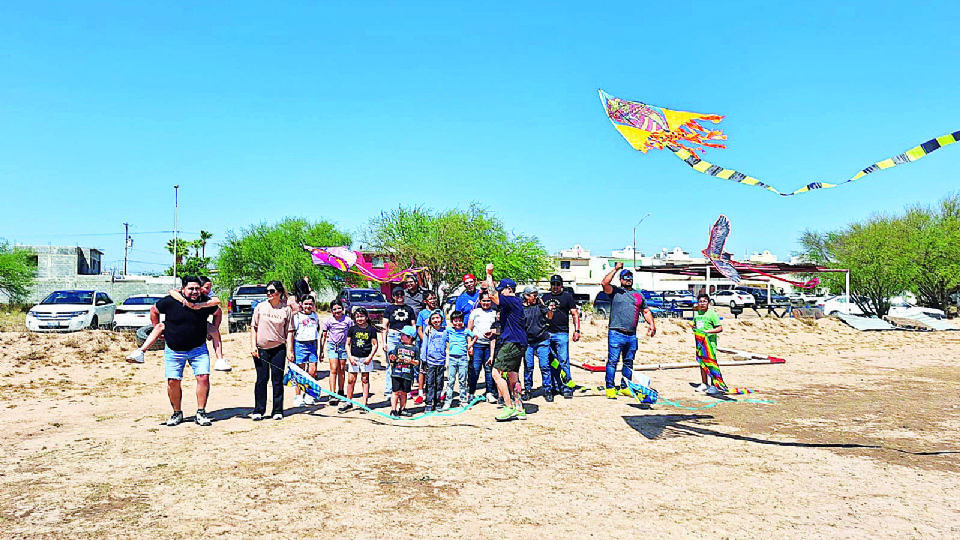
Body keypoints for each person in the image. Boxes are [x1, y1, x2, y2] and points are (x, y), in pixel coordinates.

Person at [125, 276, 231, 372]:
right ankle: (141, 351)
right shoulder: (177, 297)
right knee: (160, 326)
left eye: (208, 288)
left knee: (213, 330)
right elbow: (170, 294)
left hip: (199, 327)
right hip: (175, 333)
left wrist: (201, 306)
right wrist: (185, 301)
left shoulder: (207, 297)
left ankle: (220, 359)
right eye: (206, 288)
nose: (208, 290)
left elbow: (217, 304)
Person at [152, 276, 219, 427]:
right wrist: (158, 328)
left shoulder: (205, 302)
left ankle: (201, 412)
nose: (194, 291)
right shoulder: (170, 301)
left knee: (203, 377)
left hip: (198, 348)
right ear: (183, 289)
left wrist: (214, 328)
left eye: (197, 288)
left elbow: (218, 311)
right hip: (174, 349)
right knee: (173, 381)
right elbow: (154, 310)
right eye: (191, 288)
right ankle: (177, 413)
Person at [600, 263, 656, 399]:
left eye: (630, 277)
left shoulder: (638, 295)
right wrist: (616, 269)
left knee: (628, 362)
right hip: (616, 333)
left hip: (631, 335)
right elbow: (604, 283)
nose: (628, 280)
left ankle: (625, 386)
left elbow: (646, 311)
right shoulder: (615, 292)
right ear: (620, 280)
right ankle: (610, 387)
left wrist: (652, 324)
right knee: (613, 361)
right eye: (625, 278)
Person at [484, 263, 527, 421]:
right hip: (517, 341)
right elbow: (512, 325)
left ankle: (508, 407)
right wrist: (495, 332)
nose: (500, 292)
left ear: (508, 289)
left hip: (512, 343)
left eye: (502, 289)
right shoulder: (514, 305)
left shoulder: (511, 300)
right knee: (513, 375)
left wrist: (489, 274)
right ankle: (519, 408)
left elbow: (492, 295)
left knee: (496, 373)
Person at [250, 280, 294, 420]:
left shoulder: (286, 310)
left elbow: (290, 331)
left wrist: (290, 350)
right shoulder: (260, 307)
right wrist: (253, 346)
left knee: (277, 380)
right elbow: (254, 327)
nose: (269, 294)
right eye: (267, 291)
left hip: (278, 349)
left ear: (279, 293)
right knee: (262, 379)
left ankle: (277, 410)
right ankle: (259, 410)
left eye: (272, 291)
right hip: (261, 349)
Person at [541, 274, 580, 398]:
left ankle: (567, 385)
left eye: (558, 284)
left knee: (563, 360)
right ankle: (555, 385)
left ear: (561, 285)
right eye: (553, 284)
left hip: (561, 333)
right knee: (551, 361)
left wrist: (577, 330)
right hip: (547, 334)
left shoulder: (567, 297)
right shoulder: (545, 297)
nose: (555, 287)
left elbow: (574, 314)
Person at [521, 286, 554, 402]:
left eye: (536, 295)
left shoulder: (540, 305)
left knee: (544, 365)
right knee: (529, 366)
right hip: (528, 342)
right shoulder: (521, 308)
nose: (536, 297)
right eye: (533, 295)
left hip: (542, 339)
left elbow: (549, 317)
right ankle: (528, 389)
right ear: (526, 296)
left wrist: (549, 309)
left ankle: (548, 389)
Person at [342, 308, 378, 412]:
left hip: (366, 358)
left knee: (365, 379)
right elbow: (347, 344)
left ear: (366, 317)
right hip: (354, 357)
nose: (360, 319)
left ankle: (364, 403)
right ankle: (348, 401)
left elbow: (375, 344)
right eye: (357, 316)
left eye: (362, 316)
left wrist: (370, 357)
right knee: (351, 380)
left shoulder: (371, 330)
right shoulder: (352, 329)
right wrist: (350, 357)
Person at [382, 288, 416, 396]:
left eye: (401, 294)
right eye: (397, 294)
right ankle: (389, 390)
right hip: (392, 336)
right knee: (391, 362)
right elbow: (385, 326)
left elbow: (413, 325)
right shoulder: (389, 308)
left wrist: (413, 339)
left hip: (406, 337)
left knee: (406, 362)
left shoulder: (409, 309)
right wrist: (384, 342)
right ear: (393, 296)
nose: (399, 296)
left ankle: (405, 390)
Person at [467, 292, 499, 403]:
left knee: (489, 369)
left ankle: (489, 392)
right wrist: (469, 345)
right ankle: (471, 393)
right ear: (480, 301)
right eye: (484, 301)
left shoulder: (494, 313)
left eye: (488, 300)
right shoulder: (475, 312)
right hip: (477, 345)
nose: (486, 303)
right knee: (475, 369)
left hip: (489, 345)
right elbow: (469, 330)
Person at [319, 303, 353, 404]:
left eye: (339, 308)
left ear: (343, 309)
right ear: (331, 311)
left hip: (343, 347)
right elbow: (324, 335)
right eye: (334, 309)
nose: (337, 311)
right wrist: (321, 350)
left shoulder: (348, 320)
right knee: (333, 369)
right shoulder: (328, 321)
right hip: (332, 346)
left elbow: (352, 334)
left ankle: (341, 391)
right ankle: (332, 393)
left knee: (342, 369)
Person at [415, 291, 445, 404]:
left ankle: (439, 393)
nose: (433, 301)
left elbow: (444, 328)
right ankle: (420, 393)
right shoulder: (422, 313)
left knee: (438, 372)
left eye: (434, 298)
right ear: (425, 301)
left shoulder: (440, 312)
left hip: (437, 348)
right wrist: (427, 340)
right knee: (423, 370)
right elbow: (419, 330)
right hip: (425, 345)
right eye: (430, 299)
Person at [691, 292, 723, 396]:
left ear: (708, 303)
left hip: (710, 344)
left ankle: (715, 385)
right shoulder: (697, 314)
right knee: (702, 364)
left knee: (711, 364)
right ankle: (704, 383)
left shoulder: (712, 314)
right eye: (700, 301)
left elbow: (719, 328)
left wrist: (707, 332)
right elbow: (696, 325)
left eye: (704, 301)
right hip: (700, 344)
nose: (702, 303)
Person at [291, 295, 320, 408]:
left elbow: (316, 331)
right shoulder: (297, 316)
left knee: (312, 371)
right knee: (300, 371)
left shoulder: (315, 316)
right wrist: (291, 350)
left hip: (312, 344)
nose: (308, 306)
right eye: (306, 304)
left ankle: (308, 394)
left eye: (310, 304)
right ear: (301, 305)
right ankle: (298, 396)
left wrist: (319, 349)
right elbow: (292, 333)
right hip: (300, 344)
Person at [442, 310, 474, 410]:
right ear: (452, 321)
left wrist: (470, 345)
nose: (458, 323)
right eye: (455, 321)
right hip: (452, 358)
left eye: (460, 321)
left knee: (462, 380)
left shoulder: (466, 331)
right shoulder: (449, 330)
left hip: (463, 359)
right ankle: (448, 401)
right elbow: (442, 334)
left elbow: (475, 336)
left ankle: (463, 400)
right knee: (451, 380)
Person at [389, 326, 419, 417]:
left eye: (403, 334)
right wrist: (392, 358)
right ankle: (393, 410)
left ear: (410, 337)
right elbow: (392, 357)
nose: (401, 336)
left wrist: (411, 361)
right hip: (397, 372)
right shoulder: (398, 346)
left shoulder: (415, 349)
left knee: (404, 392)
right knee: (395, 391)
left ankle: (402, 409)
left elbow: (417, 362)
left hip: (407, 374)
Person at [421, 311, 448, 412]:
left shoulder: (445, 331)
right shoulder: (429, 331)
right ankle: (428, 402)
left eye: (438, 318)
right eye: (433, 318)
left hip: (441, 361)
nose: (436, 320)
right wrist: (423, 360)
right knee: (430, 383)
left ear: (442, 319)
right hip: (430, 362)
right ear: (430, 321)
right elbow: (424, 346)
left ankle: (437, 402)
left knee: (439, 383)